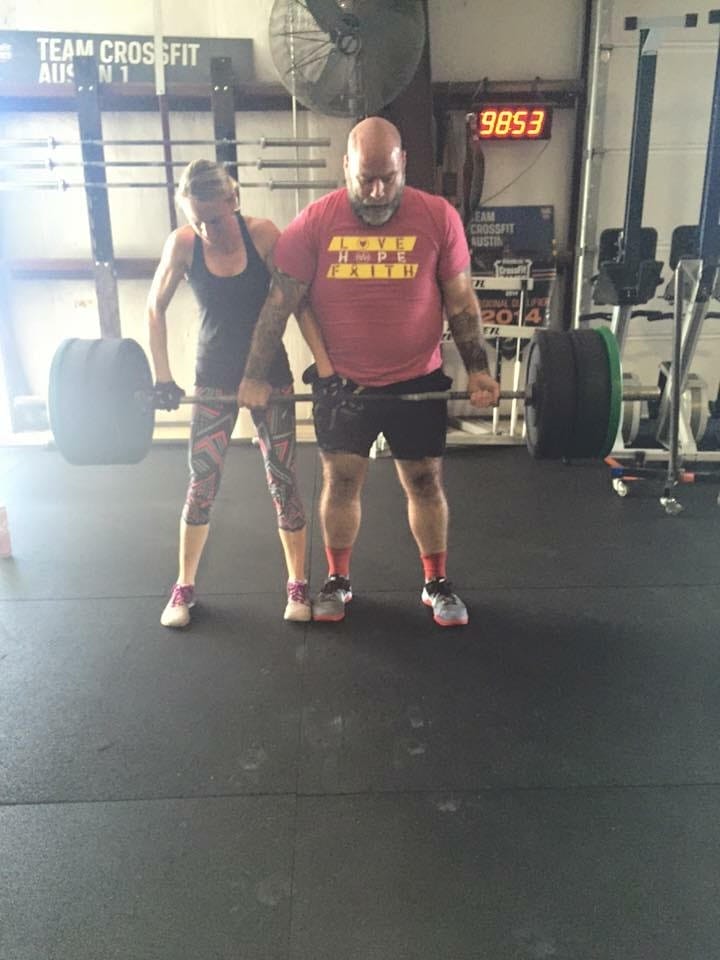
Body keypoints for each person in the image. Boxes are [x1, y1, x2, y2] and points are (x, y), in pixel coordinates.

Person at [237, 117, 500, 627]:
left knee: (424, 480)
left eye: (388, 178)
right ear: (346, 168)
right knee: (340, 482)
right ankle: (337, 580)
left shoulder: (438, 216)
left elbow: (460, 300)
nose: (377, 191)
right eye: (365, 179)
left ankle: (436, 582)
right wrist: (253, 375)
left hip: (417, 380)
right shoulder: (315, 222)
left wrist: (479, 369)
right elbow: (278, 304)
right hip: (344, 384)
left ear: (404, 165)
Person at [147, 159, 310, 628]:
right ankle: (184, 586)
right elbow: (155, 307)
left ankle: (297, 583)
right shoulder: (182, 244)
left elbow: (297, 303)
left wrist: (327, 366)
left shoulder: (264, 236)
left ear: (233, 200)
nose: (206, 230)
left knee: (283, 480)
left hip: (271, 376)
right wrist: (163, 377)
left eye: (214, 220)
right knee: (202, 481)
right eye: (196, 220)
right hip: (213, 377)